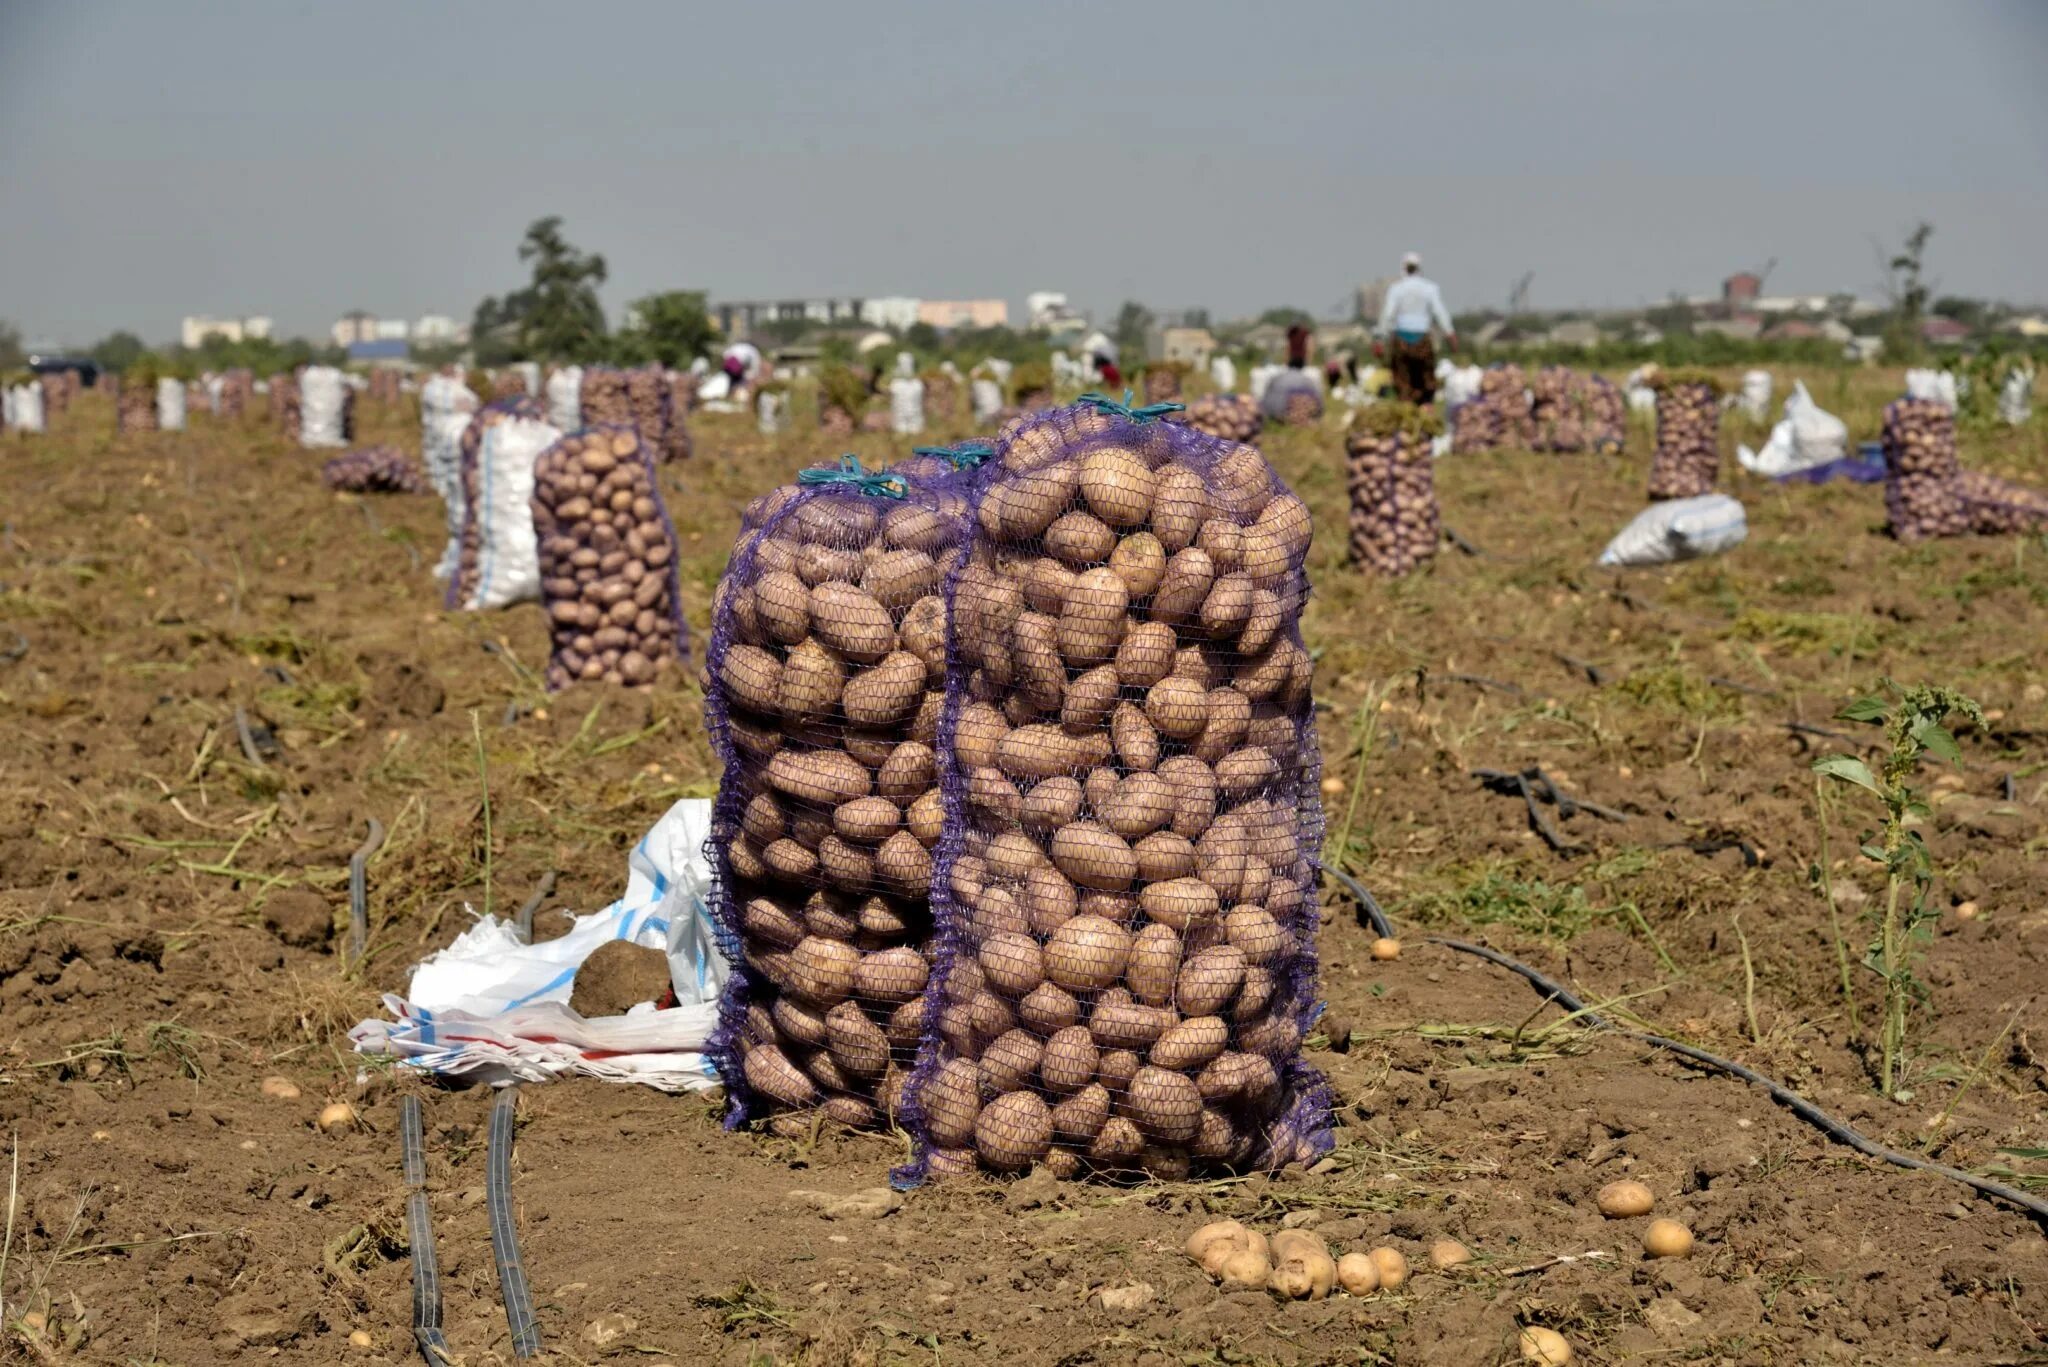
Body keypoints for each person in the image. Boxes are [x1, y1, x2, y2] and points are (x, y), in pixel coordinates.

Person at [1373, 252, 1457, 404]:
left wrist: (1379, 338)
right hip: (1422, 340)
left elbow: (1387, 315)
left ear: (1403, 268)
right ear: (1419, 268)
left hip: (1401, 340)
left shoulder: (1396, 289)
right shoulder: (1430, 288)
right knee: (1426, 381)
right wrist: (1450, 334)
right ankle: (1425, 409)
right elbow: (1440, 312)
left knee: (1402, 382)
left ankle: (1406, 412)